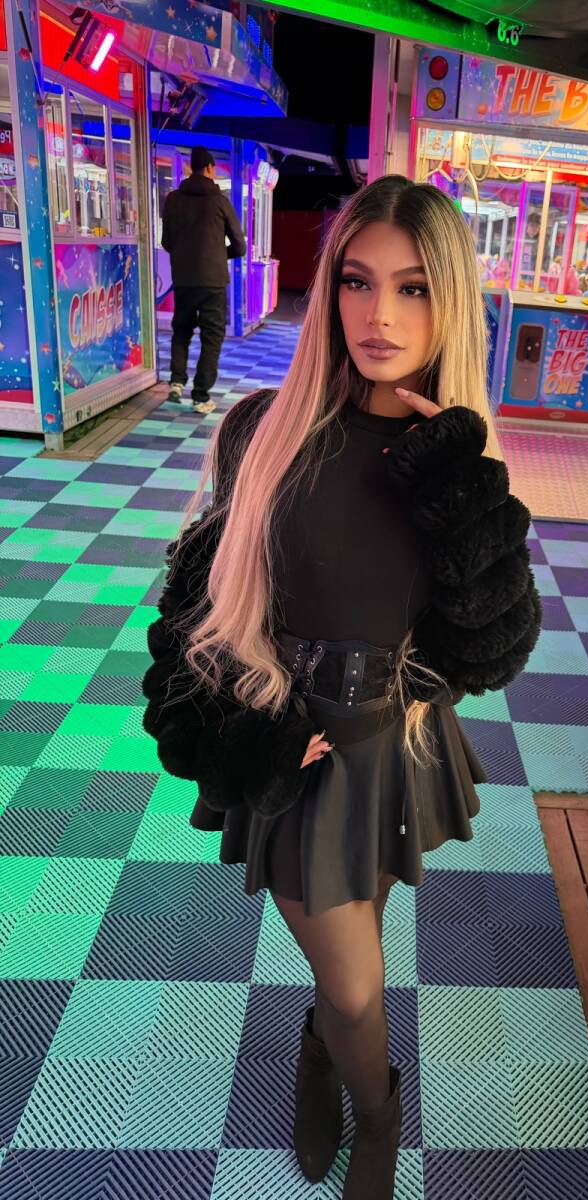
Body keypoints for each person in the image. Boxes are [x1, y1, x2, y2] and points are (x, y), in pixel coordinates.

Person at [141, 175, 542, 1198]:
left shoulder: (452, 457)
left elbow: (489, 655)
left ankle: (325, 1051)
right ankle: (379, 1112)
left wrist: (456, 484)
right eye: (358, 282)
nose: (379, 316)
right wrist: (250, 738)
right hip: (298, 753)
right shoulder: (262, 432)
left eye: (413, 289)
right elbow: (192, 621)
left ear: (449, 303)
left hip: (394, 746)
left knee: (351, 953)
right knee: (359, 984)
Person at [161, 145, 246, 414]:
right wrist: (219, 255)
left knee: (181, 331)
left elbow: (167, 242)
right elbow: (240, 246)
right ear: (210, 168)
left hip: (184, 279)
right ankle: (200, 395)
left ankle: (176, 382)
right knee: (212, 337)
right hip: (213, 282)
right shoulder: (220, 201)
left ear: (191, 168)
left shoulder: (173, 199)